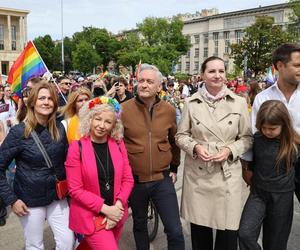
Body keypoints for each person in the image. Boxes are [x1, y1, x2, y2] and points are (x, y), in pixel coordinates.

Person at [175, 56, 253, 250]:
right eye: (212, 71)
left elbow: (247, 138)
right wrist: (195, 147)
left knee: (228, 233)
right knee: (200, 235)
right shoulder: (191, 103)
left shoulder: (239, 103)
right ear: (202, 75)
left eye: (221, 71)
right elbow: (181, 136)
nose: (217, 76)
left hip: (227, 174)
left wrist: (229, 150)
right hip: (199, 175)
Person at [0, 81, 74, 249]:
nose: (46, 102)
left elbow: (68, 162)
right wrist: (12, 200)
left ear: (55, 103)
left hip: (57, 196)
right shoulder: (19, 132)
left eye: (50, 98)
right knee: (35, 245)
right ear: (32, 102)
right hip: (29, 199)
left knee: (67, 241)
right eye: (41, 98)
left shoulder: (60, 129)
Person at [121, 63, 185, 250]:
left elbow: (174, 141)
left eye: (150, 81)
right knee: (139, 224)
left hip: (161, 179)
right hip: (135, 181)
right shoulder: (123, 110)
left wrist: (174, 167)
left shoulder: (169, 110)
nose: (144, 85)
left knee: (174, 229)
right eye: (141, 80)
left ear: (159, 86)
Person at [65, 96, 134, 250]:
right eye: (98, 119)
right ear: (90, 119)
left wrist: (117, 207)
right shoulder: (77, 148)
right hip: (92, 218)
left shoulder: (118, 143)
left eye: (108, 122)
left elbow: (128, 179)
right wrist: (107, 210)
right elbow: (75, 190)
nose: (102, 125)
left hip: (116, 214)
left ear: (114, 125)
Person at [239, 100, 300, 250]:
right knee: (245, 233)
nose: (267, 131)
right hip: (258, 194)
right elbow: (250, 160)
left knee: (275, 243)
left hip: (282, 198)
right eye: (264, 127)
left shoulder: (294, 144)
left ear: (284, 124)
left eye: (272, 128)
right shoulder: (257, 139)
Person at [247, 43, 300, 202]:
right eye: (297, 65)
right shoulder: (263, 98)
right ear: (280, 66)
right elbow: (254, 134)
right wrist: (247, 167)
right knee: (277, 219)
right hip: (272, 166)